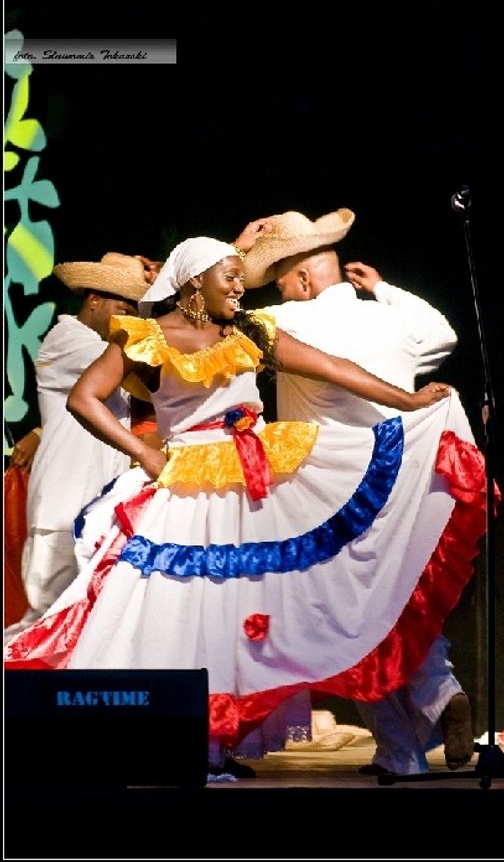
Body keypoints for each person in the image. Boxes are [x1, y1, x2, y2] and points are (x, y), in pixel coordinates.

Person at [5, 235, 478, 781]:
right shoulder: (147, 336)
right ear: (194, 282)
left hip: (256, 484)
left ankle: (230, 740)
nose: (238, 287)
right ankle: (192, 743)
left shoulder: (251, 331)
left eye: (239, 277)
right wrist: (144, 452)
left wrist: (408, 401)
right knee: (192, 616)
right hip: (191, 489)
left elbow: (330, 365)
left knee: (267, 609)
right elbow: (84, 397)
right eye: (228, 276)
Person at [240, 207, 484, 775]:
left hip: (328, 495)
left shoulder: (287, 320)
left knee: (344, 622)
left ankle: (409, 740)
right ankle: (434, 706)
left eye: (281, 280)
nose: (278, 290)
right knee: (396, 604)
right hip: (400, 485)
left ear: (303, 280)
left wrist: (240, 255)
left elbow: (214, 321)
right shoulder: (390, 321)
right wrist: (384, 289)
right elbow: (443, 335)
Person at [3, 253, 149, 643]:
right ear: (93, 300)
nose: (127, 318)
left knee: (81, 632)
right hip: (64, 508)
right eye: (121, 307)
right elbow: (146, 380)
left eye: (133, 310)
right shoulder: (70, 338)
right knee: (44, 625)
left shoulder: (105, 345)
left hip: (96, 505)